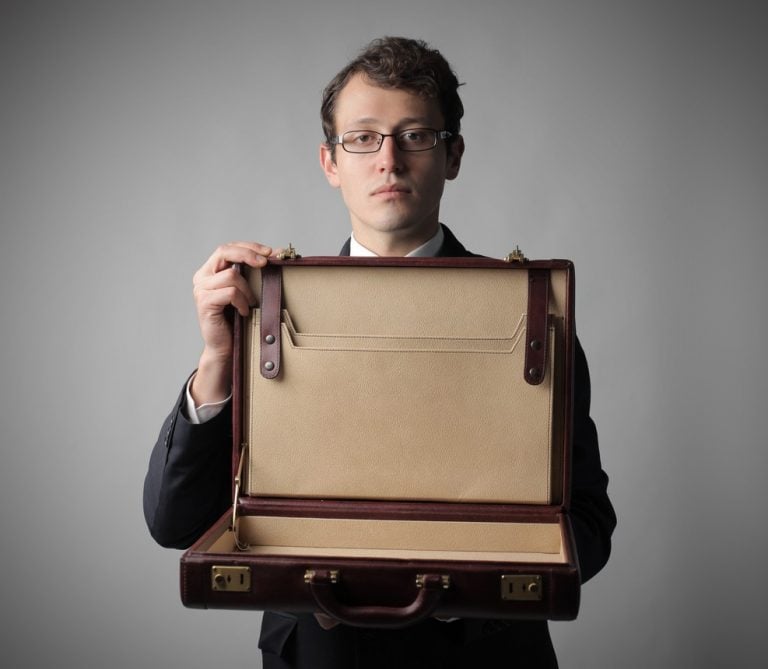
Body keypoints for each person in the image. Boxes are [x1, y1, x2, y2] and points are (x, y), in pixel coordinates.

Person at [144, 36, 616, 669]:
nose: (388, 159)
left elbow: (587, 518)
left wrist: (464, 589)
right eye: (362, 138)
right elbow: (174, 523)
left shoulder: (532, 315)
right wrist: (216, 362)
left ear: (452, 156)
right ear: (330, 161)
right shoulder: (258, 316)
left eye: (415, 135)